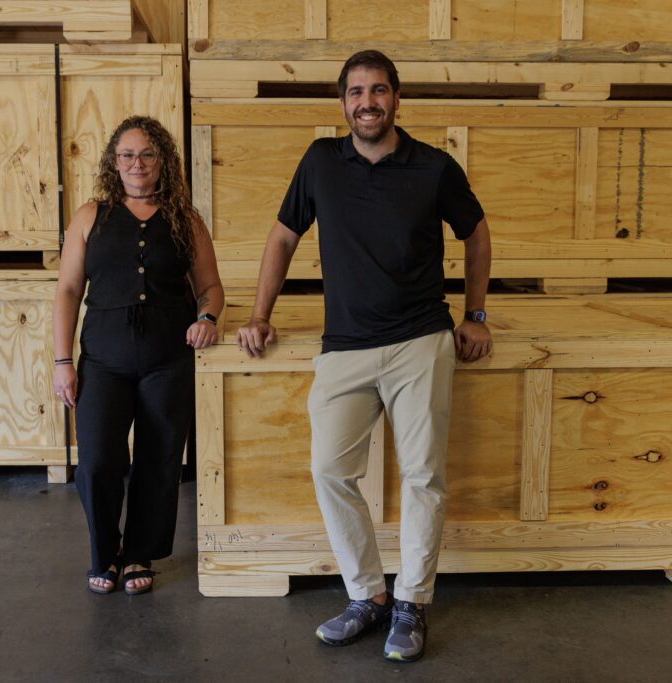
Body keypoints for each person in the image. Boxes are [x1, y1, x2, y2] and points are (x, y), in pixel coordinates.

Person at [235, 50, 492, 661]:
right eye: (355, 92)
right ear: (343, 102)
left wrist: (475, 313)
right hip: (345, 348)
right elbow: (282, 236)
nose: (367, 102)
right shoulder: (321, 161)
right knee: (329, 470)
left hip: (420, 342)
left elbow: (476, 232)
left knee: (423, 476)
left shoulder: (433, 167)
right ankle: (368, 596)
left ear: (397, 98)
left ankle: (412, 604)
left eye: (378, 90)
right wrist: (259, 314)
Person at [53, 115, 223, 596]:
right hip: (102, 361)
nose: (137, 163)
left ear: (162, 160)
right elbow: (67, 290)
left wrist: (207, 320)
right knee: (99, 459)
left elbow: (210, 287)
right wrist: (61, 361)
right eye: (126, 154)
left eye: (147, 154)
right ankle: (104, 554)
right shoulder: (91, 216)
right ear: (113, 162)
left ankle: (139, 554)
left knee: (160, 459)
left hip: (169, 358)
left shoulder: (184, 218)